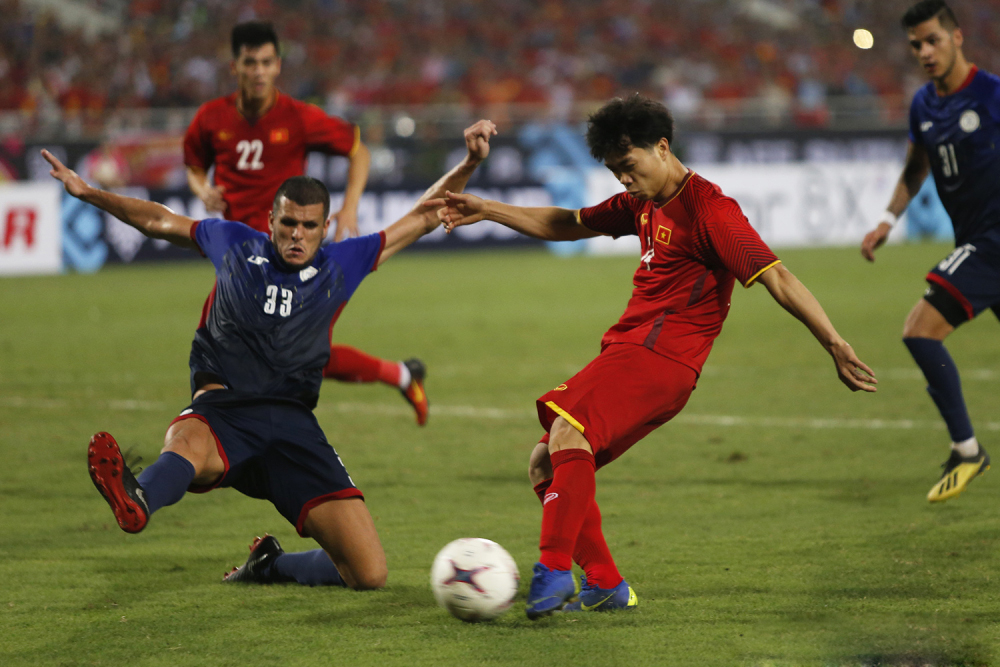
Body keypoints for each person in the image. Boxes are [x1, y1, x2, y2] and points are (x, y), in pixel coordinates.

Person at [430, 95, 877, 618]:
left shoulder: (711, 211)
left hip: (662, 358)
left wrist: (834, 343)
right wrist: (487, 209)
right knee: (544, 463)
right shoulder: (643, 201)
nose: (623, 178)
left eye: (629, 165)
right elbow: (566, 223)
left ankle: (552, 571)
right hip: (631, 348)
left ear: (662, 148)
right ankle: (605, 584)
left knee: (568, 430)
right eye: (615, 170)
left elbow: (776, 275)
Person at [46, 119, 496, 590]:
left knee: (369, 573)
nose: (297, 235)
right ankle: (138, 498)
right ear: (270, 222)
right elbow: (158, 219)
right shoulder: (234, 243)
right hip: (225, 409)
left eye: (307, 226)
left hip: (292, 425)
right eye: (288, 224)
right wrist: (91, 193)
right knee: (188, 444)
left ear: (325, 228)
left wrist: (469, 163)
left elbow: (425, 215)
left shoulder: (343, 262)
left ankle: (270, 565)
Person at [183, 21, 429, 426]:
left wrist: (350, 208)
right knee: (217, 340)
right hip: (243, 260)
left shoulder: (298, 118)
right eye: (250, 63)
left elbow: (358, 150)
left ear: (278, 66)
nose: (259, 71)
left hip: (293, 254)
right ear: (235, 67)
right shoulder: (211, 118)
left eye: (266, 62)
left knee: (302, 350)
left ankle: (208, 433)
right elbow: (193, 163)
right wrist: (202, 188)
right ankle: (402, 375)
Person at [860, 0, 997, 503]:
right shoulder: (924, 104)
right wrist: (887, 219)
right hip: (977, 242)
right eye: (916, 44)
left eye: (932, 40)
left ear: (957, 37)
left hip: (994, 243)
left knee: (919, 329)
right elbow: (917, 166)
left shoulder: (993, 96)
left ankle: (967, 451)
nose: (924, 51)